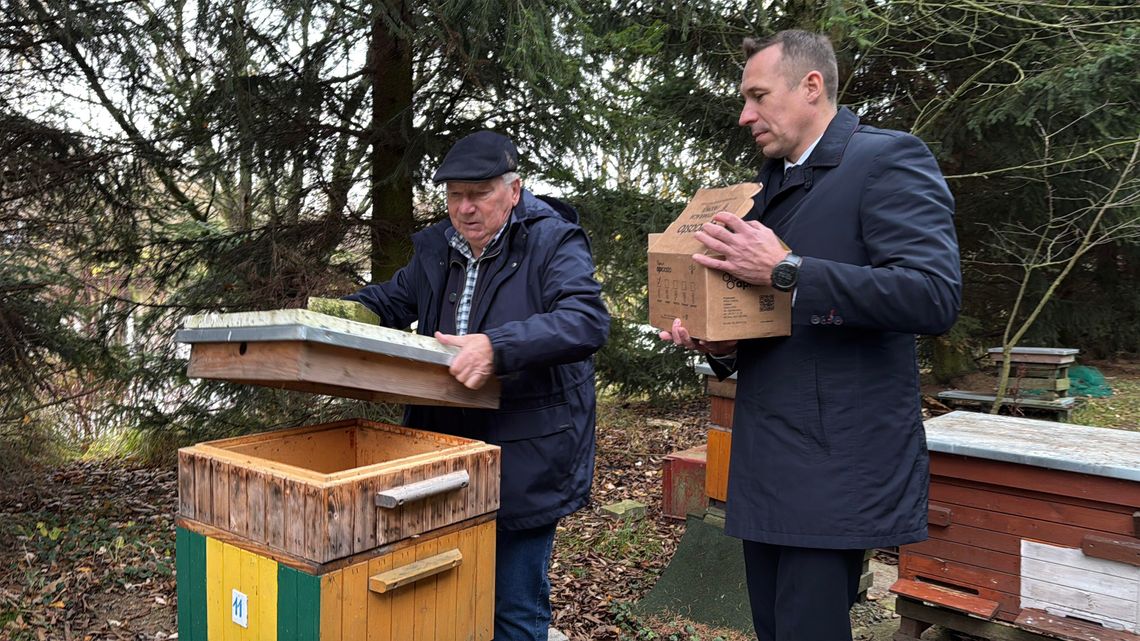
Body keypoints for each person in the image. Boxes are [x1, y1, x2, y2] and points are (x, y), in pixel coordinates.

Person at [661, 31, 961, 641]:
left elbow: (932, 295)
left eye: (758, 95)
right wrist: (722, 345)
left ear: (812, 86)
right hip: (766, 458)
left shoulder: (887, 159)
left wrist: (787, 269)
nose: (745, 114)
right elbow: (772, 315)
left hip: (837, 465)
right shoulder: (767, 186)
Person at [346, 130, 609, 641]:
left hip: (524, 456)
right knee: (444, 599)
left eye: (479, 194)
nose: (464, 209)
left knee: (512, 610)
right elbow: (388, 301)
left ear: (514, 190)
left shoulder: (553, 241)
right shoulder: (435, 250)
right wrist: (335, 314)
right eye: (454, 196)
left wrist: (496, 347)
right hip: (442, 454)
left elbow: (585, 320)